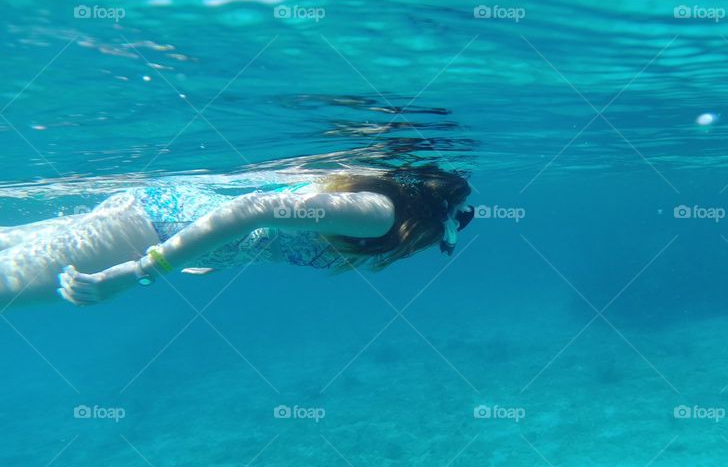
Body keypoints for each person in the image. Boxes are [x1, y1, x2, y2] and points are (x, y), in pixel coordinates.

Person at [0, 165, 474, 308]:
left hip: (154, 218)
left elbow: (263, 230)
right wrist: (143, 271)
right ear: (434, 216)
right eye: (449, 232)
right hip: (149, 231)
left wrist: (206, 255)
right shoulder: (377, 215)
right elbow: (256, 208)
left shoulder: (378, 205)